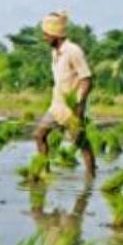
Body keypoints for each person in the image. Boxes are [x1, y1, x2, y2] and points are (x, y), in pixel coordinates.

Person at [33, 10, 97, 177]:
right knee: (39, 134)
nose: (44, 37)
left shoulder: (73, 51)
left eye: (46, 34)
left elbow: (87, 79)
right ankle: (44, 170)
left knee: (81, 142)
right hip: (57, 106)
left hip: (71, 107)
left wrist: (79, 105)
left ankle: (90, 175)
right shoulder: (55, 52)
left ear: (55, 34)